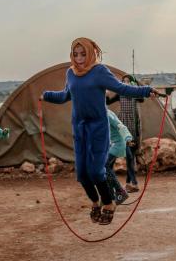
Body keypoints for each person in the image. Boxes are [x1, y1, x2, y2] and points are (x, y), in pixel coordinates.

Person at [42, 37, 161, 225]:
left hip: (98, 127)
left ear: (90, 53)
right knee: (82, 174)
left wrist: (145, 90)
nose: (79, 57)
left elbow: (122, 88)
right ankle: (95, 202)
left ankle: (109, 203)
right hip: (79, 129)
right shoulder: (70, 73)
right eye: (75, 54)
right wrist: (46, 95)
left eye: (83, 53)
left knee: (97, 172)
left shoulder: (99, 71)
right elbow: (65, 95)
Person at [106, 74, 144, 193]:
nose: (125, 83)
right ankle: (126, 183)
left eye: (128, 81)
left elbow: (142, 98)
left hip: (132, 130)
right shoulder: (120, 94)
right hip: (121, 130)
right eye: (123, 81)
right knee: (121, 158)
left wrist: (136, 86)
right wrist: (106, 94)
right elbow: (108, 102)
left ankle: (131, 183)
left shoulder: (134, 95)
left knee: (129, 157)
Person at [106, 109, 132, 204]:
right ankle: (111, 195)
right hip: (111, 144)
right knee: (107, 170)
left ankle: (120, 191)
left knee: (105, 167)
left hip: (117, 144)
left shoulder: (107, 113)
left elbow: (120, 126)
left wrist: (128, 137)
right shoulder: (101, 112)